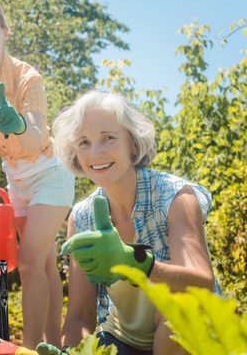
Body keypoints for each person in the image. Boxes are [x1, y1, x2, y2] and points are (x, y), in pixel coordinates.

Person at [50, 90, 223, 355]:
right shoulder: (82, 217)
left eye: (108, 138)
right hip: (124, 341)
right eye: (83, 142)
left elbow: (201, 282)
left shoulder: (176, 196)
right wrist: (72, 351)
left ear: (133, 143)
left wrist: (138, 264)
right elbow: (80, 316)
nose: (95, 153)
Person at [0, 0, 75, 348]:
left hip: (49, 173)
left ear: (5, 32)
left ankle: (26, 349)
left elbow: (38, 134)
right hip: (16, 179)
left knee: (27, 263)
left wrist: (20, 122)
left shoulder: (28, 77)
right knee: (43, 267)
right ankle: (55, 347)